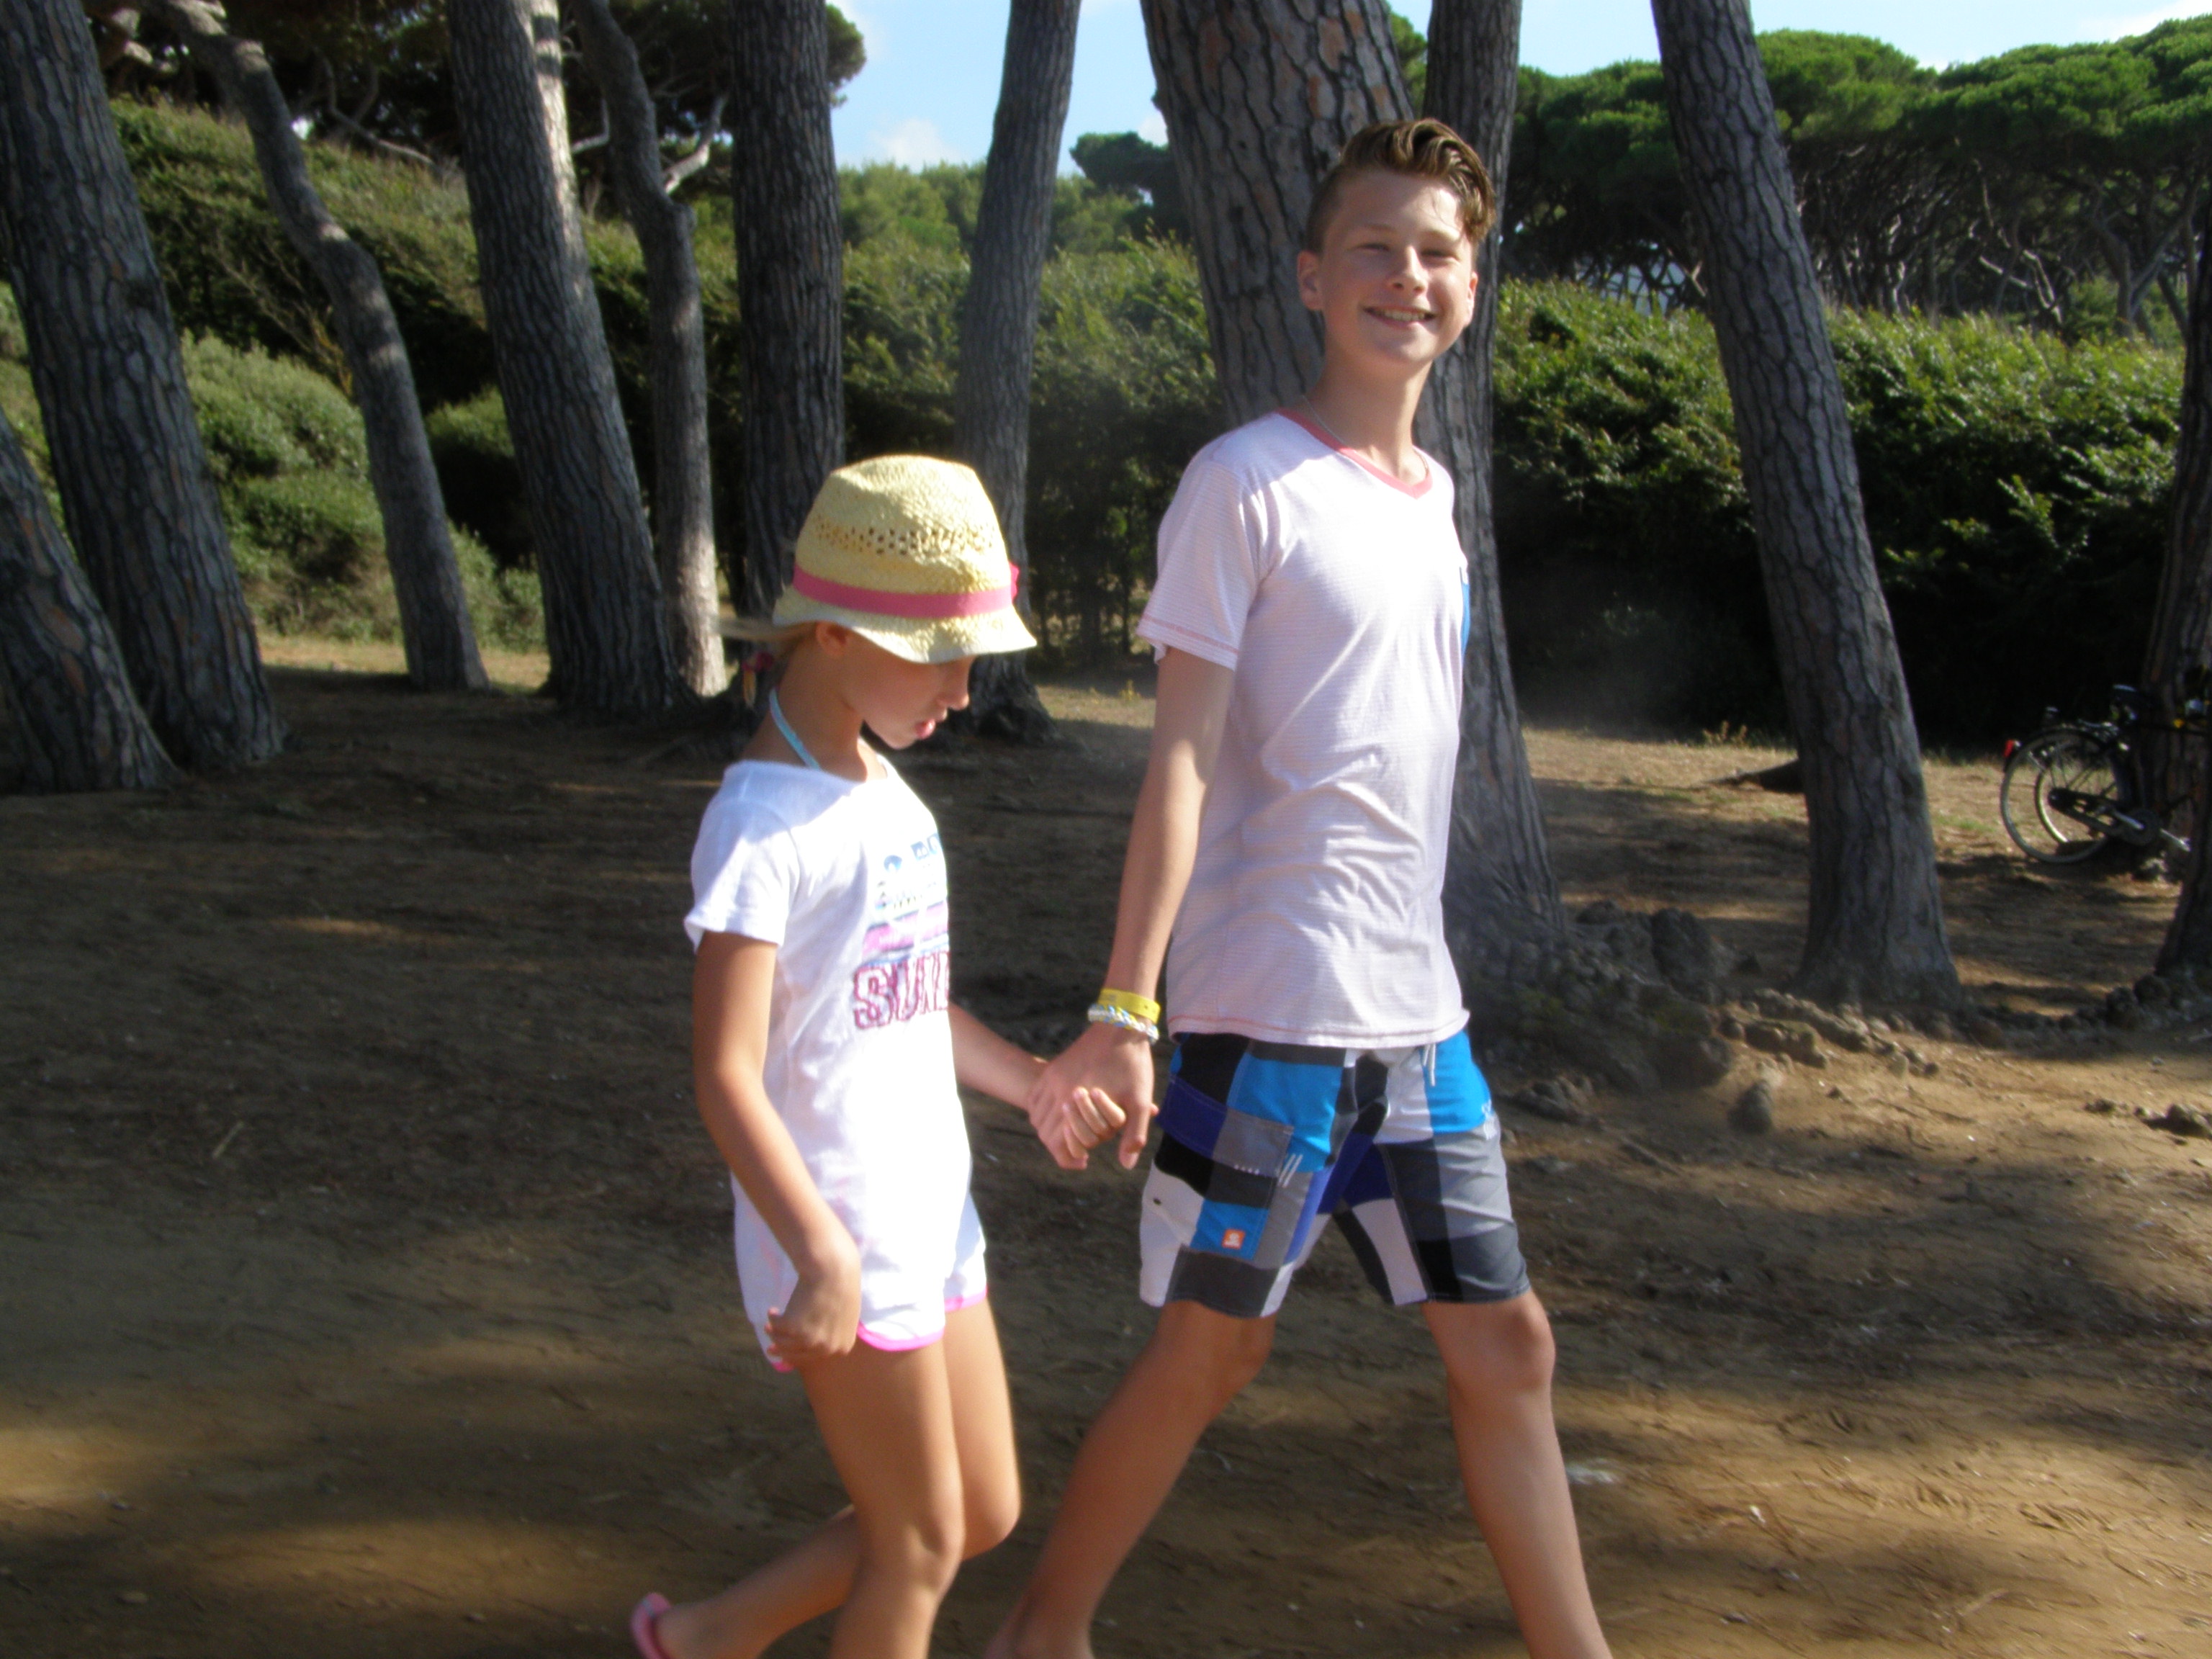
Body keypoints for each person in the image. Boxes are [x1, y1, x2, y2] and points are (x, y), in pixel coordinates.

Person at [987, 120, 1614, 1659]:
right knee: (1210, 1356)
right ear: (1313, 278)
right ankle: (1041, 1637)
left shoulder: (1435, 498)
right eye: (1376, 248)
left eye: (1439, 252)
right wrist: (1126, 1008)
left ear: (1472, 285)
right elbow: (1180, 762)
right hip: (1264, 1024)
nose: (1410, 276)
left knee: (1509, 1348)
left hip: (1422, 1032)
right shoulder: (1243, 482)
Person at [633, 456, 1123, 1659]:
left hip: (928, 1211)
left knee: (982, 1511)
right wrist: (820, 1251)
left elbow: (903, 1005)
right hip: (841, 1222)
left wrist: (1034, 1081)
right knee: (917, 1545)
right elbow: (725, 1073)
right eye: (940, 656)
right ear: (837, 634)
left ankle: (706, 1639)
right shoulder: (762, 825)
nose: (963, 688)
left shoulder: (883, 788)